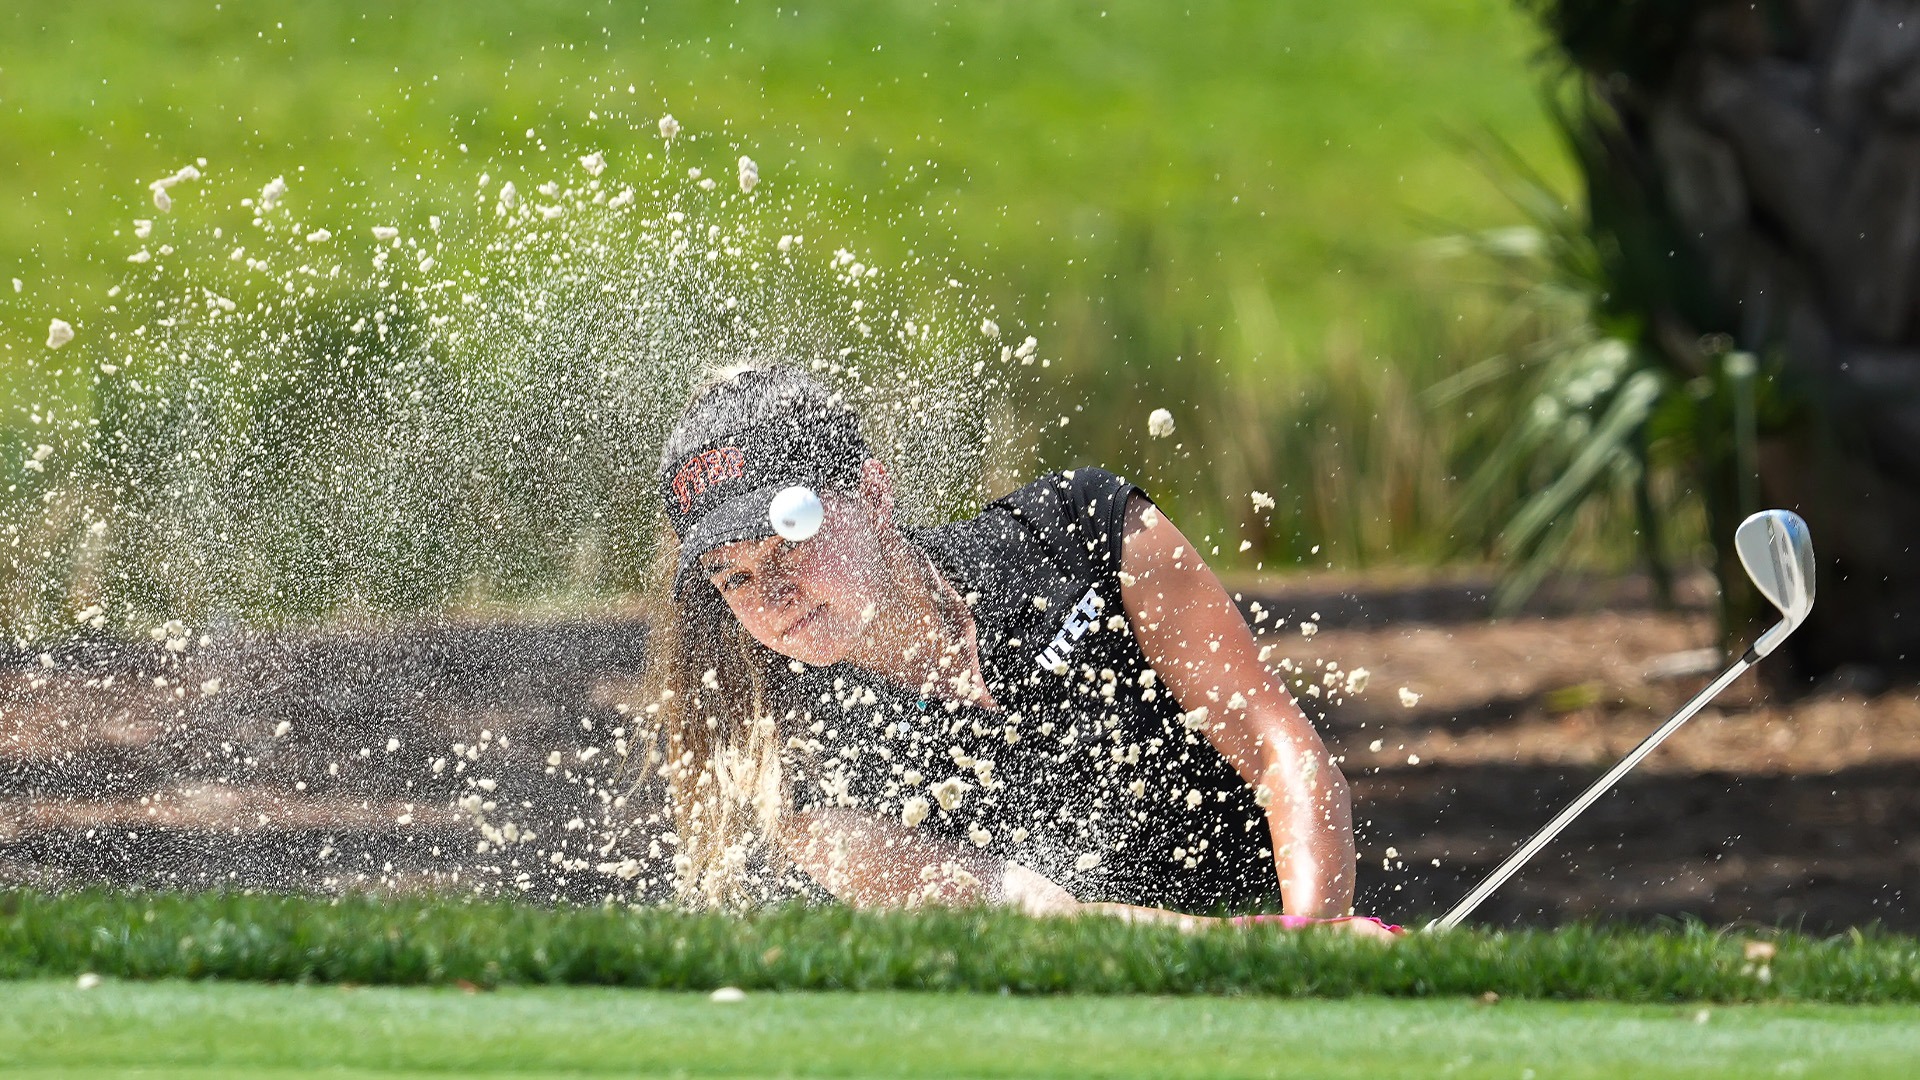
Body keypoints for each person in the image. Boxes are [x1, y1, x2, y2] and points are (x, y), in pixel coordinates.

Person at [640, 364, 1395, 936]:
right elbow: (1047, 923)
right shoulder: (800, 762)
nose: (772, 596)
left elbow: (1276, 748)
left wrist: (1315, 945)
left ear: (873, 495)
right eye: (734, 577)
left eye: (788, 544)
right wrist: (1278, 958)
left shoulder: (1076, 530)